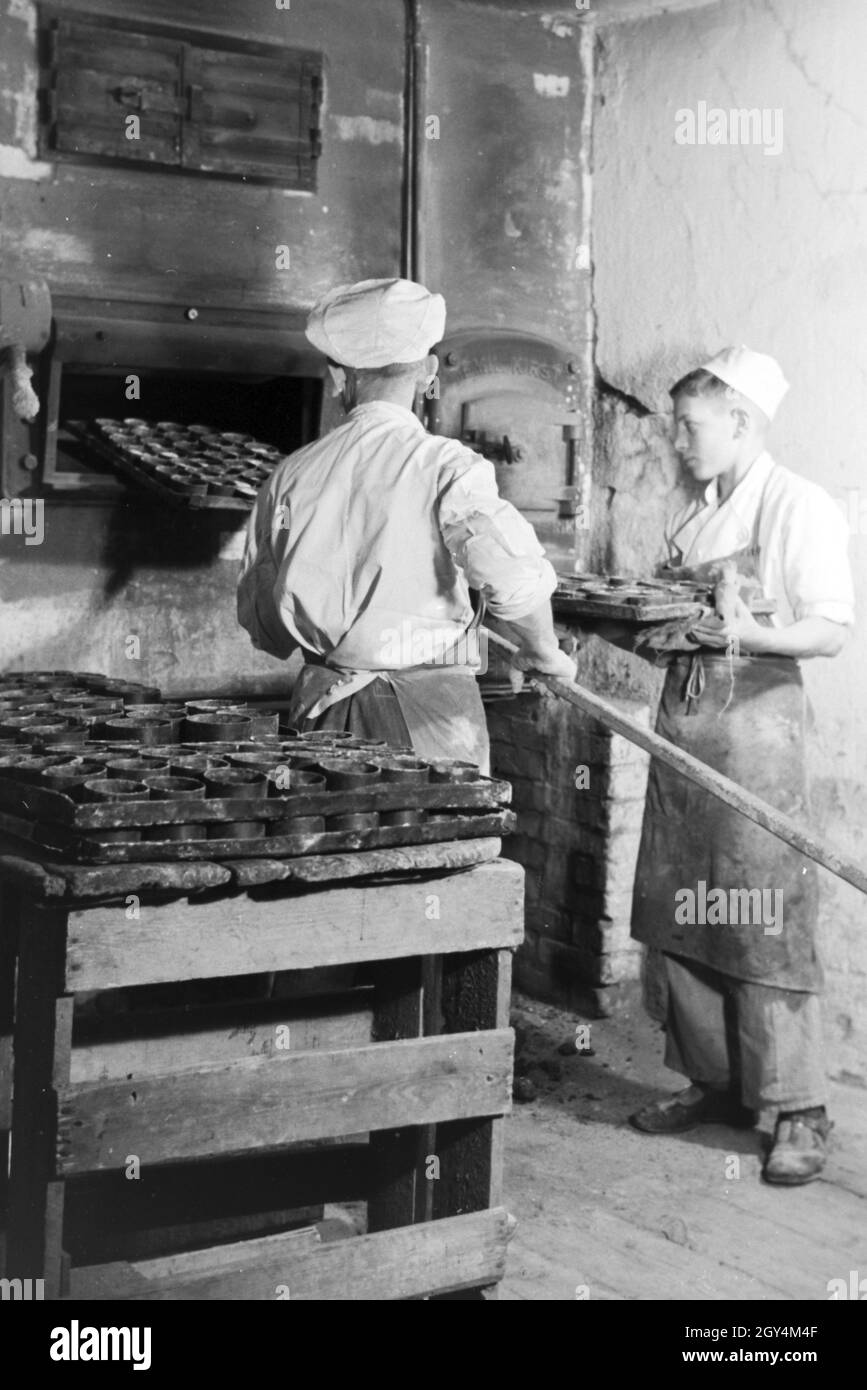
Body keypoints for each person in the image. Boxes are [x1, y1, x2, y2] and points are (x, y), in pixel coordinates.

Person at [621, 345, 854, 1185]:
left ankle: (797, 1108)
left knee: (760, 918)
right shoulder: (695, 514)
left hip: (755, 733)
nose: (678, 442)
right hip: (685, 729)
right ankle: (712, 1083)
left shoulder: (796, 507)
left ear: (741, 422)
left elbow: (828, 629)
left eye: (689, 427)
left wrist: (740, 632)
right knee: (684, 908)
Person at [237, 276, 575, 773]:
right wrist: (545, 653)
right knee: (439, 847)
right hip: (431, 722)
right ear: (428, 373)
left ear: (338, 377)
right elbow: (512, 577)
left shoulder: (290, 475)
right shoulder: (446, 466)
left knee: (338, 848)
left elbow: (265, 629)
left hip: (323, 717)